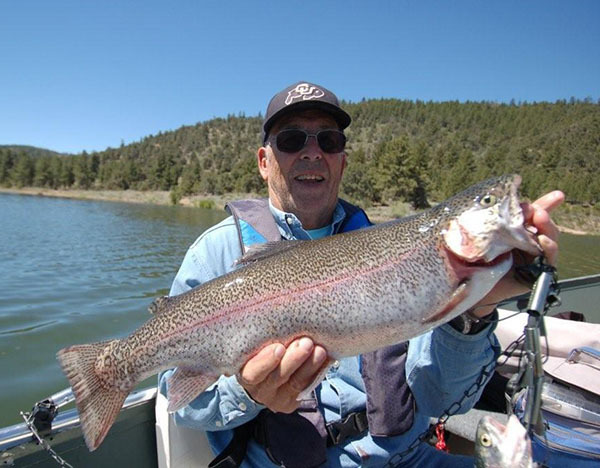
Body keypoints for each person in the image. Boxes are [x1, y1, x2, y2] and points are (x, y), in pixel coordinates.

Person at [158, 81, 564, 467]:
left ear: (342, 161)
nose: (312, 152)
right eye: (292, 139)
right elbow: (183, 405)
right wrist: (246, 391)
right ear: (265, 162)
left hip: (406, 457)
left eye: (329, 141)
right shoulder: (215, 254)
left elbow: (441, 399)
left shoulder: (394, 252)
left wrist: (479, 306)